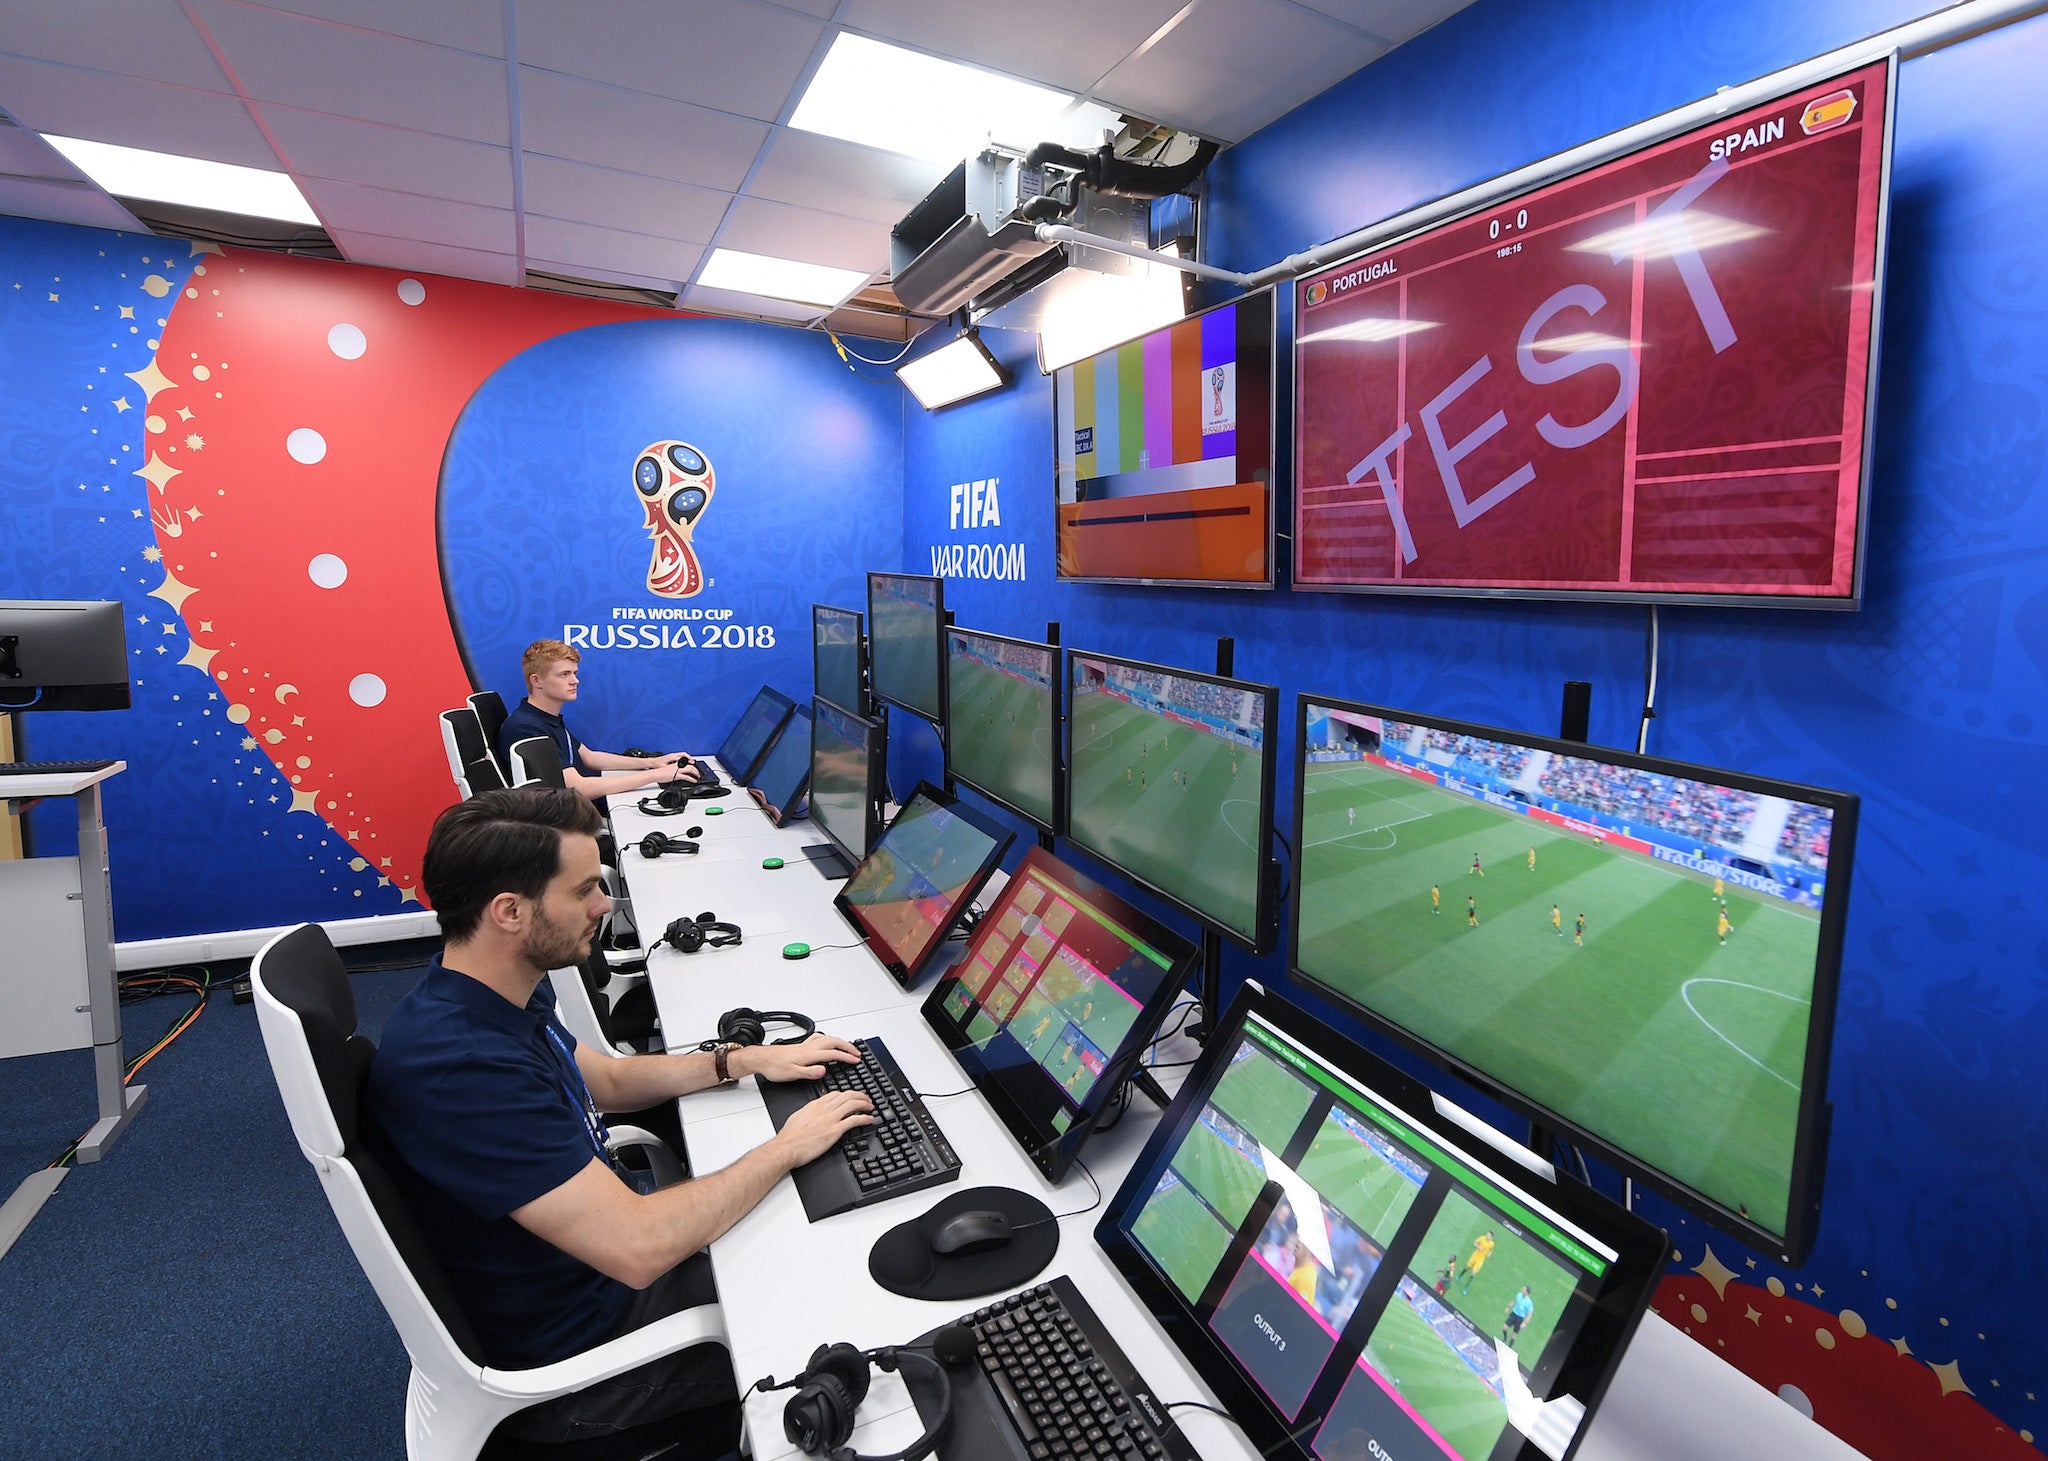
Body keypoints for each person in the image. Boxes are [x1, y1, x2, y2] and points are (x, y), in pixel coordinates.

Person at [365, 787, 874, 1446]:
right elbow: (640, 1249)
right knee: (850, 1297)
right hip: (589, 1366)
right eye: (583, 891)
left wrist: (745, 1060)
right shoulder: (460, 1066)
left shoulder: (487, 984)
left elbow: (603, 1076)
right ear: (510, 911)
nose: (605, 905)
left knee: (810, 1225)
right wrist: (785, 1146)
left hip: (603, 1272)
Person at [500, 638, 700, 806]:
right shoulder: (527, 728)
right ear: (536, 681)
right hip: (567, 822)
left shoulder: (544, 718)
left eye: (574, 673)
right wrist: (657, 776)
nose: (575, 681)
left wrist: (652, 763)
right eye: (564, 674)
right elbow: (577, 788)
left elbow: (589, 757)